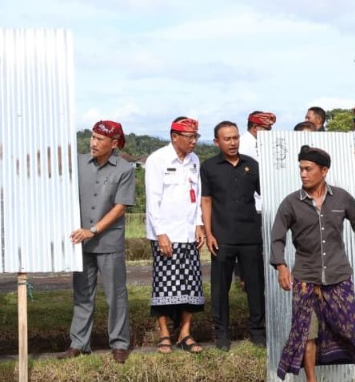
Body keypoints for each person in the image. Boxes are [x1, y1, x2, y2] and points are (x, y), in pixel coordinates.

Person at [270, 146, 355, 382]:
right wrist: (281, 265)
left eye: (308, 169)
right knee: (307, 332)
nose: (303, 174)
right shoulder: (291, 203)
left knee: (351, 327)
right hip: (306, 279)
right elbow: (277, 237)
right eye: (301, 169)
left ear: (324, 171)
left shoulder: (341, 198)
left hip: (338, 276)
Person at [60, 120, 135, 364]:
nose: (93, 143)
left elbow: (120, 207)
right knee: (82, 293)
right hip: (81, 241)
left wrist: (93, 230)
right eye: (92, 137)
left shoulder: (125, 169)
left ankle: (120, 343)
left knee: (116, 295)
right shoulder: (79, 163)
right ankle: (79, 343)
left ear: (113, 144)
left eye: (99, 139)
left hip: (108, 242)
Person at [201, 121, 266, 350]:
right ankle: (221, 334)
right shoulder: (209, 167)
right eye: (227, 139)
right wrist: (209, 232)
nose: (232, 143)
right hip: (222, 236)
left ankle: (258, 332)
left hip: (250, 235)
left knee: (256, 286)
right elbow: (206, 200)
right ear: (216, 142)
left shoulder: (252, 165)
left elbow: (266, 193)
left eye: (235, 138)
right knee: (220, 288)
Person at [145, 117, 206, 354]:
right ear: (174, 137)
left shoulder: (194, 160)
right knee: (165, 285)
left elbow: (197, 195)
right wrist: (161, 233)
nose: (193, 141)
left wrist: (199, 224)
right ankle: (164, 334)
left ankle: (185, 333)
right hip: (166, 234)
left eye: (195, 137)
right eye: (189, 137)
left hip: (189, 232)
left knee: (191, 284)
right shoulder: (157, 159)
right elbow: (153, 200)